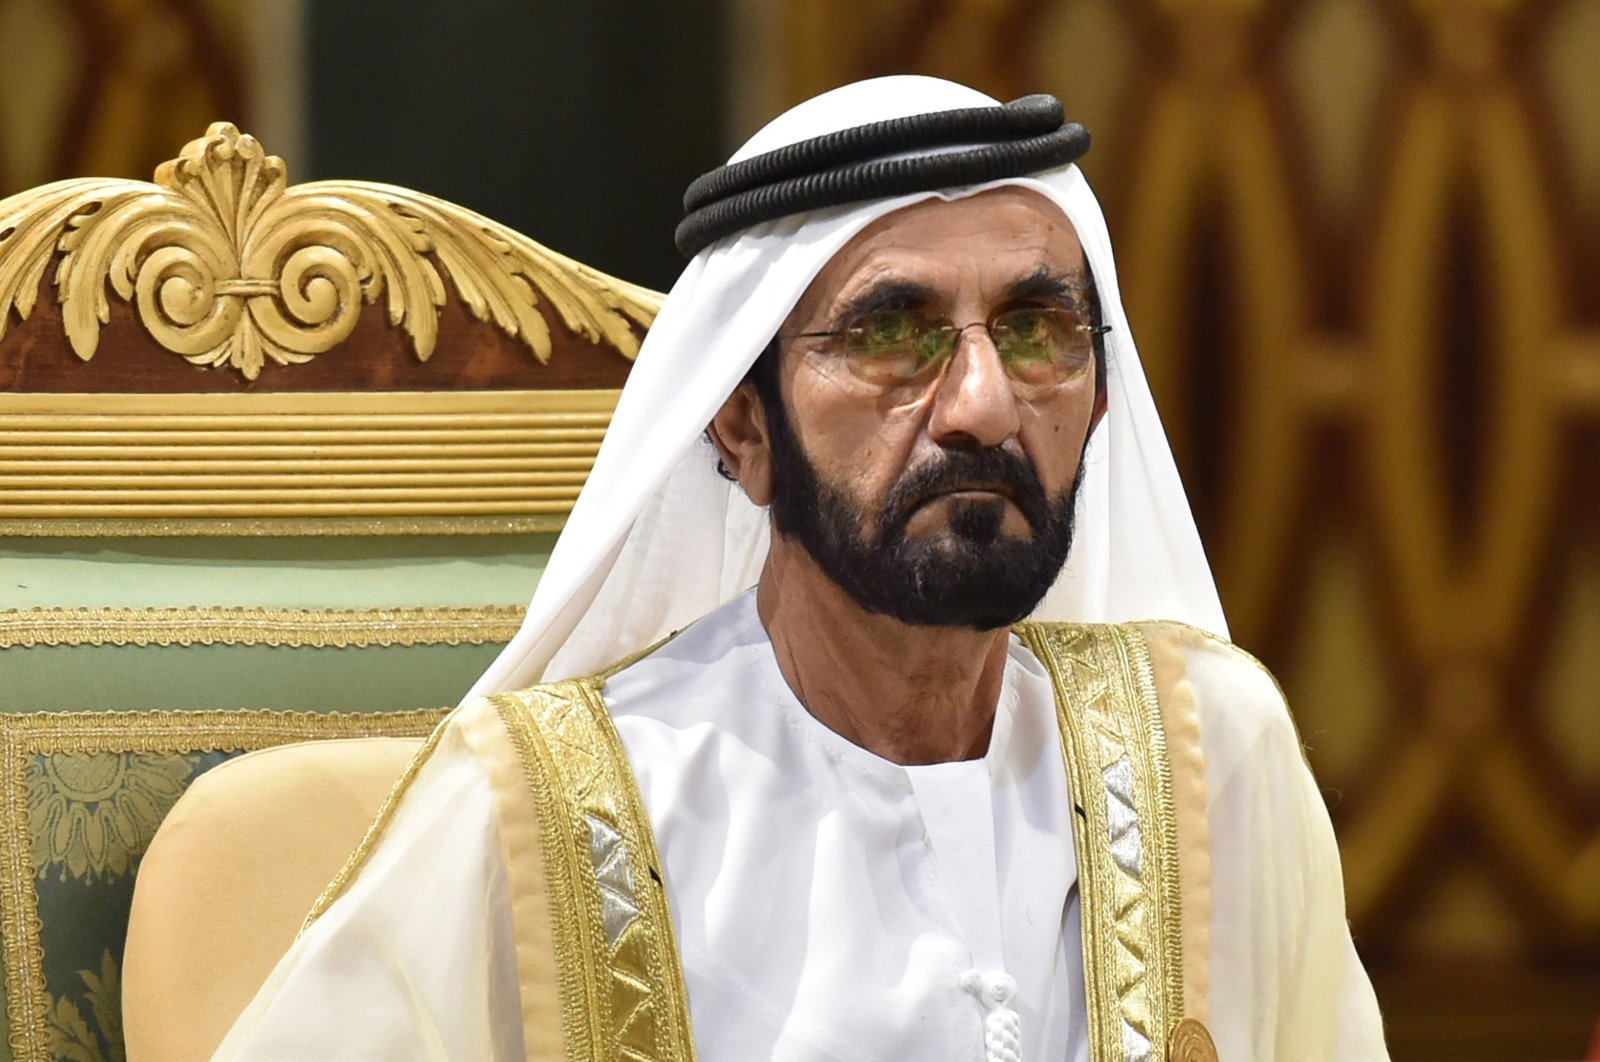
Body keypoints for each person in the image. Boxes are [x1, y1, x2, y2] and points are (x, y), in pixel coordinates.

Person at [214, 77, 1388, 1061]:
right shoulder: (539, 819)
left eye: (1034, 329)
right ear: (741, 428)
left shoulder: (1210, 755)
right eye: (891, 334)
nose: (982, 406)